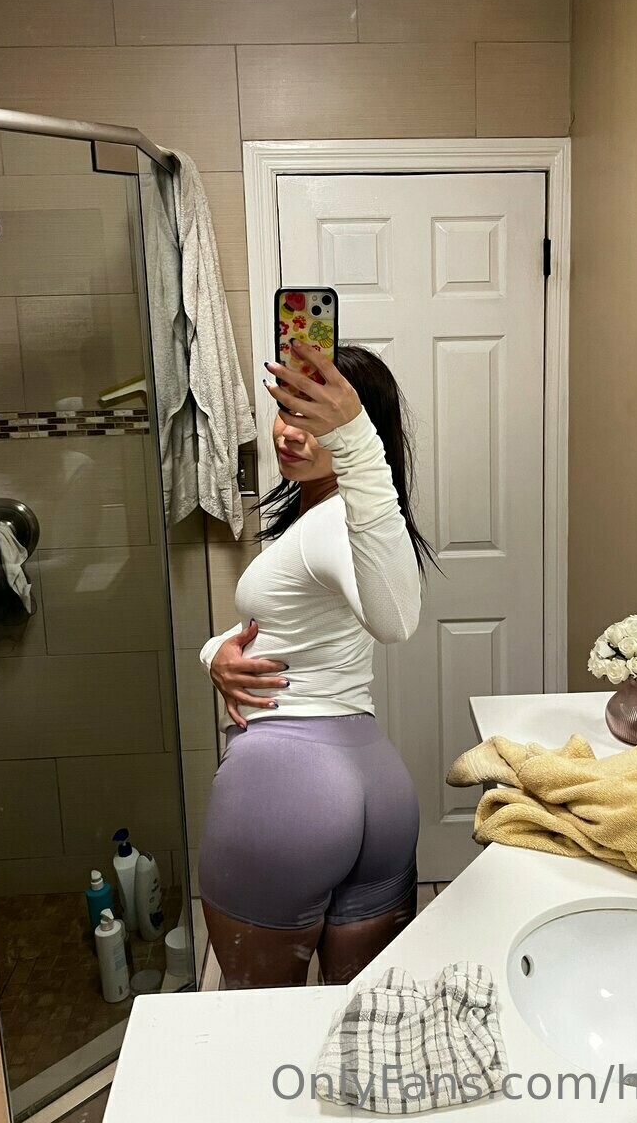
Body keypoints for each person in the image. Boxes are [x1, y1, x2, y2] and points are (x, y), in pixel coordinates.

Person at [198, 338, 434, 988]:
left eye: (317, 419)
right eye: (287, 409)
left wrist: (355, 442)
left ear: (360, 430)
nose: (290, 433)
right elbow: (282, 629)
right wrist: (215, 652)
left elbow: (396, 620)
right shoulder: (330, 519)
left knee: (261, 1022)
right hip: (377, 788)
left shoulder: (339, 521)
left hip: (283, 792)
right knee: (362, 1024)